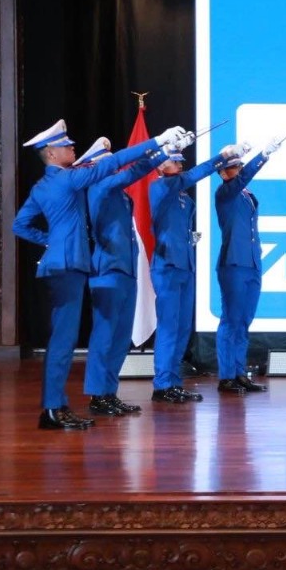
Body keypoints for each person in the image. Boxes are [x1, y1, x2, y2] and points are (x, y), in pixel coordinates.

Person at [13, 119, 185, 430]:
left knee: (63, 340)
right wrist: (158, 141)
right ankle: (52, 409)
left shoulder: (42, 186)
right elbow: (115, 164)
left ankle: (57, 406)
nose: (72, 148)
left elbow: (20, 225)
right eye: (66, 146)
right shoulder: (68, 179)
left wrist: (51, 242)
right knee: (63, 341)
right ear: (51, 153)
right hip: (68, 265)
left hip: (61, 263)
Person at [75, 137, 169, 416]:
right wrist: (161, 151)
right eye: (108, 163)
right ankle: (97, 394)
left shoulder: (120, 193)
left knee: (120, 336)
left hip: (125, 269)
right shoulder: (99, 186)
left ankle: (109, 392)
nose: (114, 167)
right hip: (107, 270)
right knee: (104, 336)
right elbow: (133, 172)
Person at [149, 141, 236, 403]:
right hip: (167, 266)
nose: (179, 165)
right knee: (168, 326)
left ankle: (173, 381)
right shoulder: (160, 187)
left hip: (185, 264)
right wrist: (220, 158)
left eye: (180, 161)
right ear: (160, 165)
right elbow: (194, 175)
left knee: (183, 326)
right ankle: (162, 384)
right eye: (174, 161)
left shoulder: (182, 194)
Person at [215, 138, 282, 395]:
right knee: (231, 319)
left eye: (240, 165)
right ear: (223, 173)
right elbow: (241, 180)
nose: (240, 170)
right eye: (234, 167)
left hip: (252, 261)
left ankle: (239, 372)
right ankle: (226, 376)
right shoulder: (225, 192)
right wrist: (263, 154)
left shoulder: (246, 194)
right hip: (233, 262)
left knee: (244, 320)